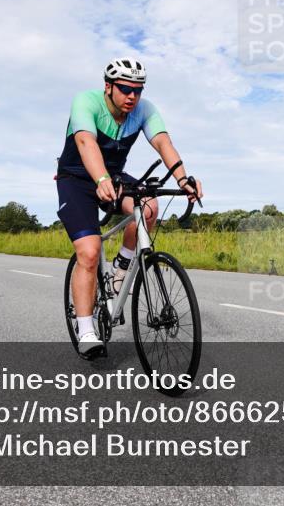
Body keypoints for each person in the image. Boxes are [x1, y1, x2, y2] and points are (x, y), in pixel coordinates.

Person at [56, 57, 203, 354]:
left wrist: (184, 178)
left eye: (138, 89)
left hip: (113, 177)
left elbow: (163, 143)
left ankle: (121, 269)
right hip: (77, 178)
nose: (132, 96)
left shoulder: (144, 110)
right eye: (125, 89)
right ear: (108, 87)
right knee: (90, 250)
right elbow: (86, 142)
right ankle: (86, 330)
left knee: (149, 206)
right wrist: (99, 178)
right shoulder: (86, 102)